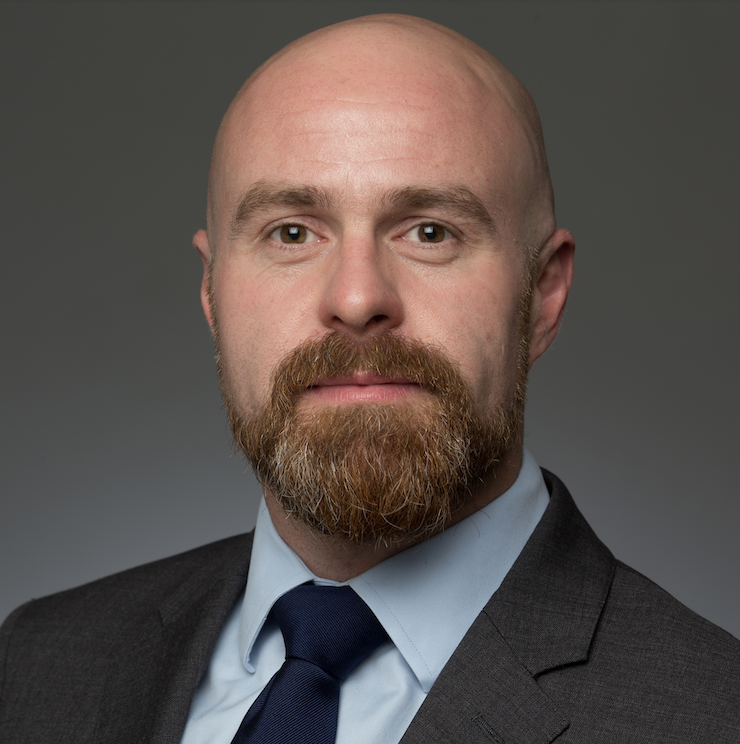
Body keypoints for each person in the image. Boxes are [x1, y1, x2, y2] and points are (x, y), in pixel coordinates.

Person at [1, 13, 738, 744]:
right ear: (212, 292)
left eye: (430, 232)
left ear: (543, 295)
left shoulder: (712, 717)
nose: (356, 299)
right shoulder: (34, 666)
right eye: (292, 232)